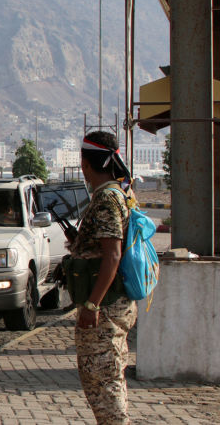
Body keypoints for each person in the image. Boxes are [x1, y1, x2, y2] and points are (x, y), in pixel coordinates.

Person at [70, 131, 137, 425]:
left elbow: (112, 255)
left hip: (105, 308)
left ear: (85, 164)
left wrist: (92, 304)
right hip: (111, 305)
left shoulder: (107, 198)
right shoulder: (117, 193)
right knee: (107, 379)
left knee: (103, 381)